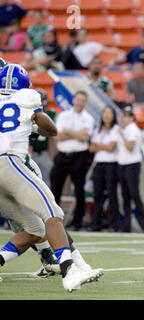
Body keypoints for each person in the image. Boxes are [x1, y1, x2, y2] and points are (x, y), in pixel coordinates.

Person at [0, 64, 102, 291]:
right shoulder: (27, 96)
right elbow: (52, 129)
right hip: (10, 162)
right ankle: (69, 271)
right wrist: (36, 119)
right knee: (53, 214)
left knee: (34, 230)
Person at [50, 90, 95, 231]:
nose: (80, 102)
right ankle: (52, 221)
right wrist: (76, 134)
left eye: (83, 100)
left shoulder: (88, 118)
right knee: (55, 188)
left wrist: (68, 131)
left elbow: (85, 137)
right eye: (78, 99)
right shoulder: (64, 115)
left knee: (79, 190)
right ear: (73, 100)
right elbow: (57, 135)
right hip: (63, 154)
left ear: (85, 102)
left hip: (79, 155)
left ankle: (77, 222)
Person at [117, 106, 144, 233]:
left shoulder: (133, 130)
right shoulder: (125, 130)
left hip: (132, 164)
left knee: (134, 195)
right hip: (123, 164)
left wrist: (122, 135)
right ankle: (127, 225)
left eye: (125, 116)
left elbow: (129, 147)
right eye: (122, 116)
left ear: (131, 118)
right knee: (125, 196)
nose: (122, 119)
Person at [88, 106, 120, 232]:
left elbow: (111, 147)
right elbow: (91, 148)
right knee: (97, 194)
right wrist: (103, 146)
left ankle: (113, 224)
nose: (106, 115)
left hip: (111, 164)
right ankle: (96, 224)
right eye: (104, 112)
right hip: (99, 164)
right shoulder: (99, 129)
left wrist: (99, 146)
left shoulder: (116, 129)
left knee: (112, 195)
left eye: (109, 113)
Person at [29, 89, 56, 186]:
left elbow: (54, 137)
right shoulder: (29, 114)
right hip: (31, 153)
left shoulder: (51, 114)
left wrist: (53, 157)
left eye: (42, 100)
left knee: (46, 183)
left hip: (45, 153)